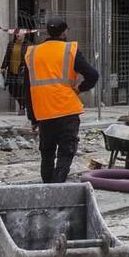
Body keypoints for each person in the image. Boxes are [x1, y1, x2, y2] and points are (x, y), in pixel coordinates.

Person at [25, 17, 98, 184]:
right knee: (66, 152)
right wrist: (79, 89)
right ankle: (58, 188)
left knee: (47, 153)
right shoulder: (70, 50)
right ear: (64, 32)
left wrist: (33, 117)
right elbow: (93, 75)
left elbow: (28, 88)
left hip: (44, 113)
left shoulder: (32, 53)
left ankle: (48, 188)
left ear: (47, 32)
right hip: (67, 111)